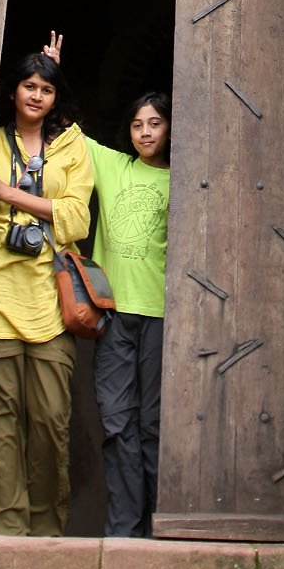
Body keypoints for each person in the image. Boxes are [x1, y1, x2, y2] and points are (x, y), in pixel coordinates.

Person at [0, 36, 93, 535]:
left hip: (50, 298)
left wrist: (6, 191)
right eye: (28, 85)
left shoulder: (70, 146)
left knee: (49, 422)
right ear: (12, 91)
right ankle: (1, 531)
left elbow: (76, 218)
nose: (36, 95)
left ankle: (44, 531)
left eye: (46, 89)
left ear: (57, 99)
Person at [87, 91, 171, 538]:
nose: (145, 132)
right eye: (139, 124)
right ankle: (125, 531)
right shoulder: (115, 167)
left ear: (170, 127)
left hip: (161, 316)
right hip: (115, 315)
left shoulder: (184, 181)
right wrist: (53, 71)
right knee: (118, 422)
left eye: (155, 123)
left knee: (154, 423)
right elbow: (69, 134)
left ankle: (162, 527)